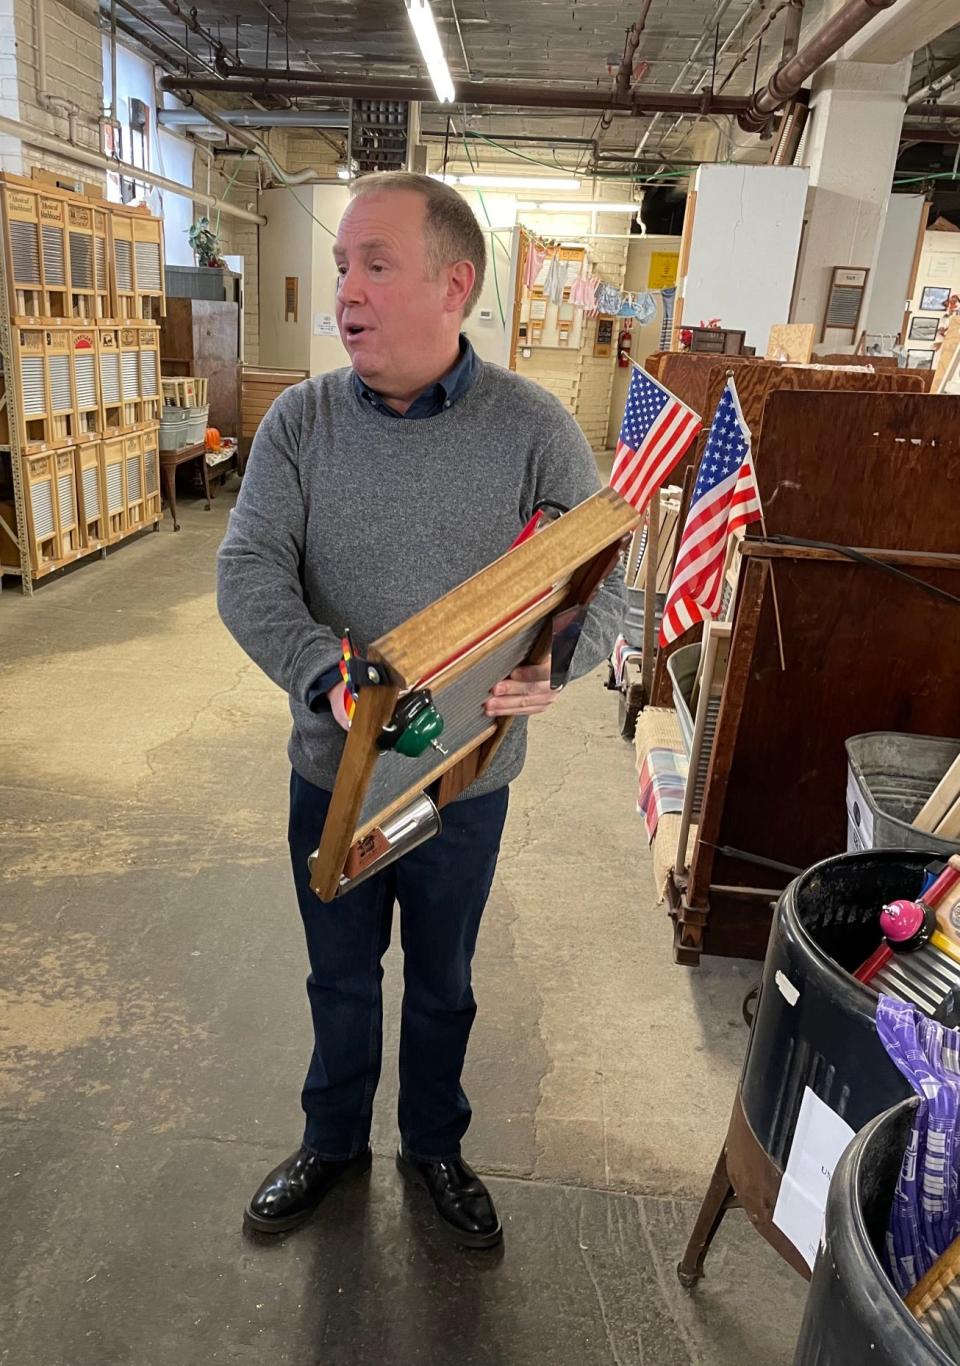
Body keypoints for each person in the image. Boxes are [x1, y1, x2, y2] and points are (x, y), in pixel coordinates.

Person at [217, 171, 622, 1249]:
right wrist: (322, 672)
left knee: (443, 982)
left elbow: (602, 581)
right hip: (333, 776)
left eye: (375, 265)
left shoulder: (535, 429)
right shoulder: (300, 423)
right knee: (339, 975)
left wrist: (557, 657)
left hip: (465, 782)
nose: (344, 290)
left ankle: (435, 1146)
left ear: (456, 285)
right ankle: (333, 1139)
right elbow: (247, 567)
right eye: (343, 266)